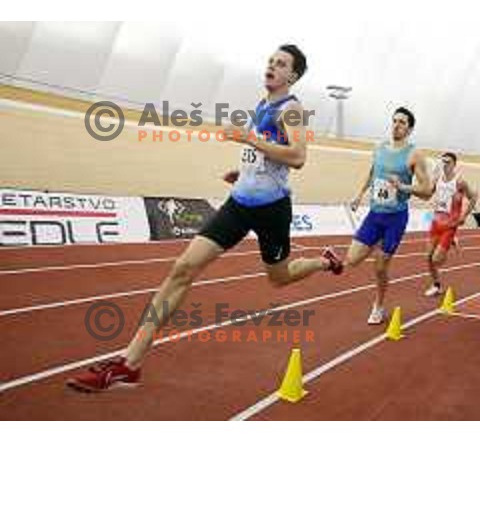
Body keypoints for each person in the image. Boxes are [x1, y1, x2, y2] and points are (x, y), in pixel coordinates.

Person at [67, 44, 343, 392]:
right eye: (270, 60)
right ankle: (129, 363)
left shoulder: (292, 110)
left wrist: (249, 138)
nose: (271, 66)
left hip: (272, 209)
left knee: (280, 277)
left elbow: (298, 156)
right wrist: (243, 172)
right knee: (183, 268)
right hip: (239, 203)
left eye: (281, 64)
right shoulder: (262, 105)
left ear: (294, 76)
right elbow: (261, 156)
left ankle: (322, 261)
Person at [346, 107, 432, 324]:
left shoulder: (414, 154)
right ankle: (378, 245)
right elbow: (373, 172)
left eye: (402, 122)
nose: (396, 125)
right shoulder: (379, 148)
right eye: (394, 121)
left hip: (395, 218)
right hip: (375, 214)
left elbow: (426, 191)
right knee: (352, 259)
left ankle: (379, 306)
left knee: (380, 267)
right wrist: (359, 194)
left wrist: (402, 186)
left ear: (410, 128)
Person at [424, 152, 478, 297]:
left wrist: (464, 215)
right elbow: (428, 194)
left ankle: (450, 242)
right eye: (443, 162)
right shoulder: (437, 178)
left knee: (437, 259)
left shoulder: (459, 182)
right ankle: (436, 285)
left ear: (454, 164)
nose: (445, 164)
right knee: (428, 257)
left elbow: (473, 197)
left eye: (448, 162)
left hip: (450, 224)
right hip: (436, 222)